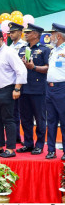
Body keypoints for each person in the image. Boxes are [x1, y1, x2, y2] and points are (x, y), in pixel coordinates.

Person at [0, 29, 27, 158]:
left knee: (8, 120)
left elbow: (21, 71)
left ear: (2, 39)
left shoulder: (9, 52)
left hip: (7, 90)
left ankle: (11, 149)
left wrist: (17, 89)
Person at [16, 23, 49, 155]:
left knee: (40, 119)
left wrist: (34, 67)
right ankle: (28, 144)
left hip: (38, 90)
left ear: (36, 34)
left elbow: (48, 68)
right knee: (25, 118)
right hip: (24, 88)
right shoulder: (22, 49)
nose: (26, 34)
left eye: (29, 32)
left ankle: (39, 145)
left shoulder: (45, 50)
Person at [45, 23, 65, 160]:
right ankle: (51, 150)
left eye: (52, 34)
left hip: (62, 88)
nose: (50, 36)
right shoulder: (53, 50)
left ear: (58, 36)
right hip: (50, 88)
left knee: (64, 121)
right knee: (51, 121)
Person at [9, 22, 26, 145]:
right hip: (11, 82)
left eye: (13, 32)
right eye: (10, 32)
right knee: (12, 111)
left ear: (20, 32)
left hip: (22, 83)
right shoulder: (9, 47)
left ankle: (25, 139)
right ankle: (15, 137)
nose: (11, 34)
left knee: (22, 112)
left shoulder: (25, 46)